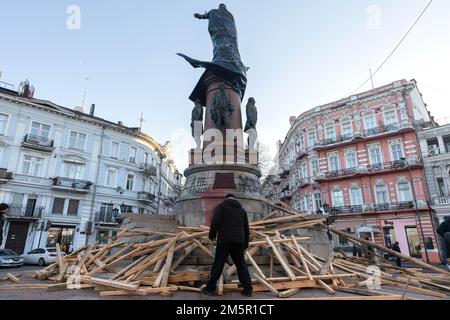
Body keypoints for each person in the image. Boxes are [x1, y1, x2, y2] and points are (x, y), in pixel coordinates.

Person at [202, 194, 252, 297]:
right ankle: (248, 289)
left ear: (226, 199)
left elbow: (215, 221)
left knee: (218, 264)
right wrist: (245, 243)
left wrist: (212, 235)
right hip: (239, 242)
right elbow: (246, 228)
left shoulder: (222, 207)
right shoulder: (242, 210)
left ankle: (210, 288)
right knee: (241, 264)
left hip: (225, 241)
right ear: (234, 199)